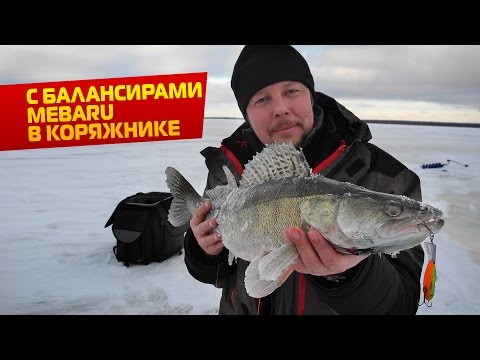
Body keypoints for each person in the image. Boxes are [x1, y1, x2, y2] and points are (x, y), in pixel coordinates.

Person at [183, 45, 425, 315]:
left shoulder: (388, 178)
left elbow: (401, 305)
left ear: (311, 95)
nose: (280, 108)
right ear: (246, 114)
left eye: (291, 91)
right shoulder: (226, 171)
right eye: (261, 99)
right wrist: (203, 250)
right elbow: (216, 276)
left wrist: (351, 276)